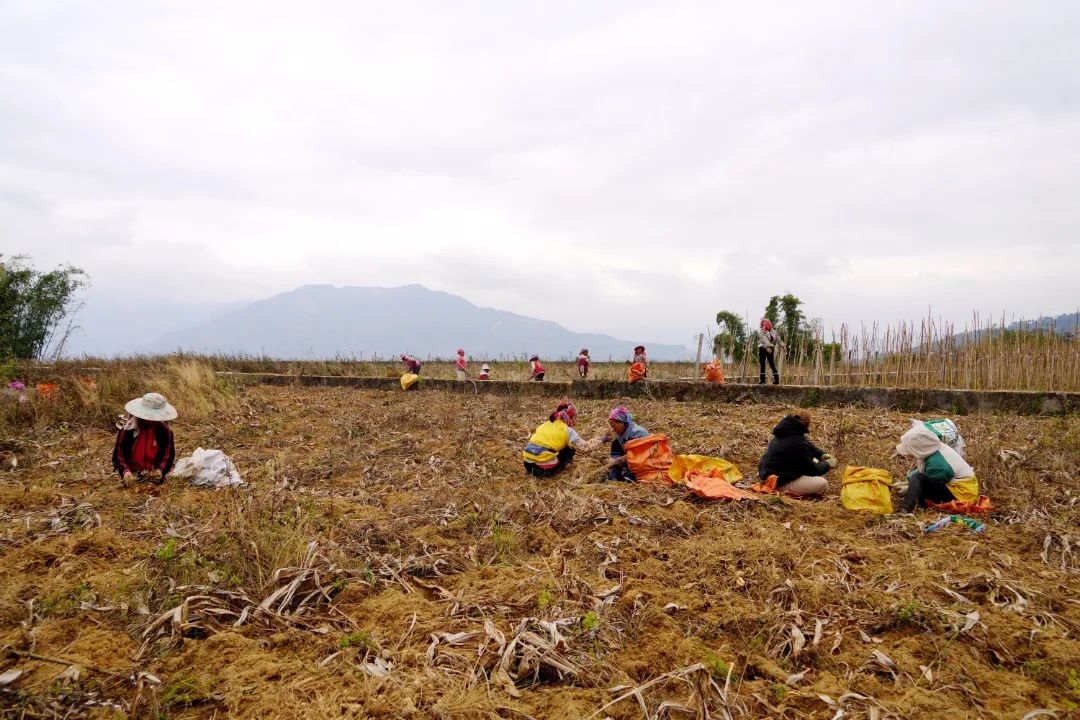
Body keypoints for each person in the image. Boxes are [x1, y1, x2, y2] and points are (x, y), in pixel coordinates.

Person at [895, 421, 977, 513]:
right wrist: (908, 481)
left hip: (961, 495)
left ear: (919, 447)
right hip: (957, 487)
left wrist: (910, 488)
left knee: (918, 479)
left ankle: (905, 508)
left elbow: (925, 482)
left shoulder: (938, 464)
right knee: (917, 478)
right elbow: (923, 473)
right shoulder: (934, 450)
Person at [757, 410, 835, 496]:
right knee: (823, 484)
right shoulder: (797, 442)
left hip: (770, 474)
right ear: (807, 424)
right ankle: (783, 492)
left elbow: (806, 444)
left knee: (812, 471)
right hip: (779, 482)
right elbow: (812, 470)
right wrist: (827, 464)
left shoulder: (786, 432)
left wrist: (821, 454)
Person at [113, 392, 177, 485]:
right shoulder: (128, 430)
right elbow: (119, 456)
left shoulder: (164, 432)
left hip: (154, 475)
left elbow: (167, 456)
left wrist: (160, 470)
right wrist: (125, 471)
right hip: (132, 474)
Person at [522, 401, 582, 477]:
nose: (575, 420)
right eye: (574, 416)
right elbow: (584, 447)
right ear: (569, 416)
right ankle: (564, 465)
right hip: (543, 470)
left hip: (527, 464)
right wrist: (598, 441)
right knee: (571, 448)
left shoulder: (545, 424)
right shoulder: (568, 430)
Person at [605, 406, 651, 482]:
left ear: (621, 422)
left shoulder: (638, 433)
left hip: (644, 459)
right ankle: (615, 474)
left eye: (614, 426)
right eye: (611, 426)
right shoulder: (622, 431)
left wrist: (618, 460)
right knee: (615, 443)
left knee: (623, 464)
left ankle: (631, 476)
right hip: (631, 456)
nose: (613, 429)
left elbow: (638, 454)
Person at [757, 319, 782, 385]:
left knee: (768, 364)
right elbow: (764, 339)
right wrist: (767, 347)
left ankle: (773, 381)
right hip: (766, 348)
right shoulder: (765, 331)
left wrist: (783, 346)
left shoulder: (770, 331)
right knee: (767, 364)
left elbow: (777, 339)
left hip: (767, 348)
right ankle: (766, 381)